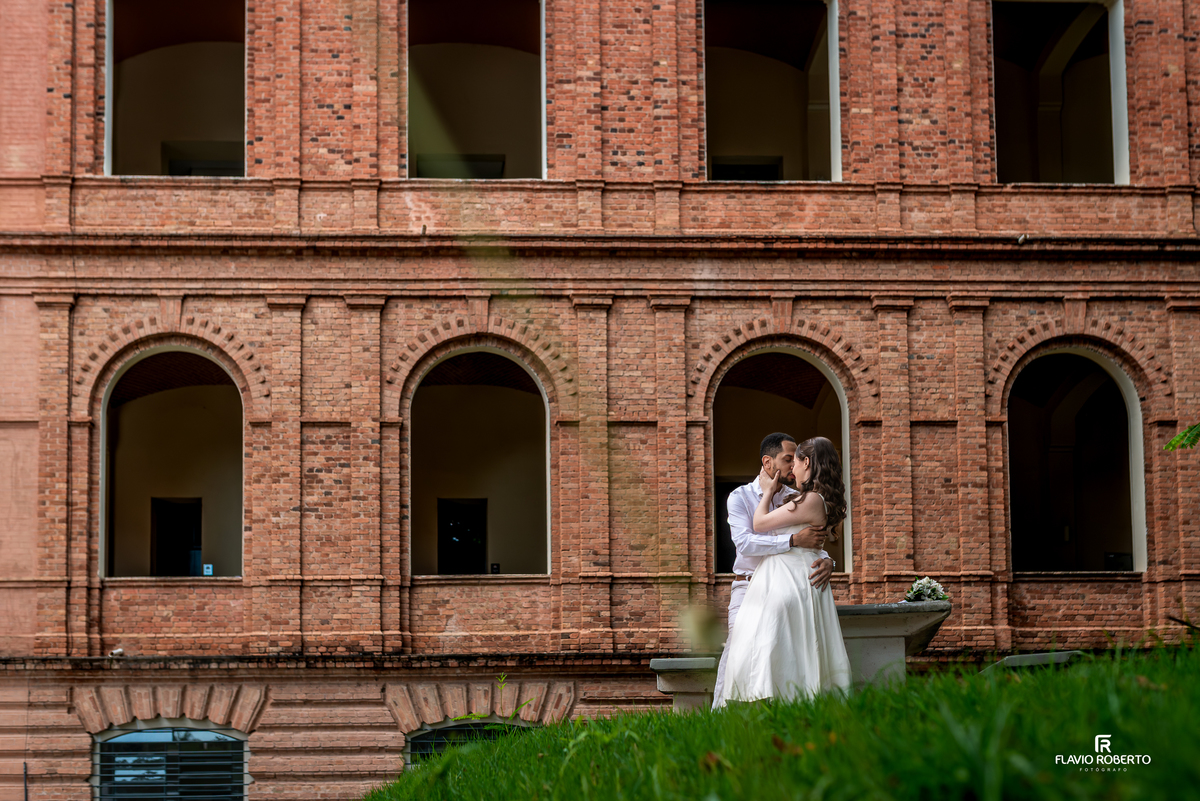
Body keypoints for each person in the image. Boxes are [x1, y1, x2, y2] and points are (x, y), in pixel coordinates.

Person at [713, 436, 853, 707]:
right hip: (749, 587)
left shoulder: (798, 497)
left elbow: (814, 542)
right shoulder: (739, 497)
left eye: (795, 459)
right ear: (768, 462)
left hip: (787, 587)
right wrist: (791, 540)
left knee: (785, 654)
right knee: (738, 657)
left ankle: (782, 713)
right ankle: (722, 718)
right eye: (787, 459)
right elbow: (746, 542)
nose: (792, 466)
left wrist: (829, 561)